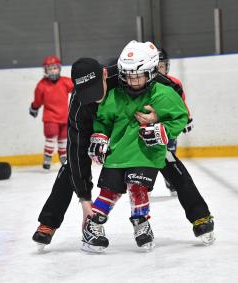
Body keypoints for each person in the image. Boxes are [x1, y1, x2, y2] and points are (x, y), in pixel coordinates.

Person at [32, 55, 214, 251]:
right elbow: (76, 149)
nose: (94, 98)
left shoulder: (127, 72)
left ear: (104, 74)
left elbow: (172, 89)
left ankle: (200, 216)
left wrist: (158, 115)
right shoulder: (79, 103)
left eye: (95, 90)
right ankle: (48, 223)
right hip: (98, 129)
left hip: (135, 130)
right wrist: (86, 203)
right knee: (70, 165)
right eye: (87, 94)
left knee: (169, 161)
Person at [83, 40, 188, 252]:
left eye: (137, 74)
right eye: (128, 74)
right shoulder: (115, 96)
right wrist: (99, 136)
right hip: (118, 154)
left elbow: (180, 117)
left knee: (138, 187)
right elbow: (103, 119)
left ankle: (141, 224)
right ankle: (92, 227)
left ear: (151, 72)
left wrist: (164, 131)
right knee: (108, 192)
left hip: (146, 154)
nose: (132, 79)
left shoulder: (164, 94)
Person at [154, 48, 194, 194]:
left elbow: (181, 104)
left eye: (161, 66)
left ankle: (172, 182)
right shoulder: (146, 84)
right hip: (150, 126)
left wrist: (186, 118)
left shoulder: (174, 83)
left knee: (169, 155)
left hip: (169, 127)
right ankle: (145, 186)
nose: (159, 70)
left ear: (167, 66)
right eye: (155, 66)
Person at [29, 55, 74, 169]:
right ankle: (48, 157)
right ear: (46, 71)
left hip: (64, 117)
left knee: (63, 138)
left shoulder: (65, 81)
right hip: (50, 118)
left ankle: (63, 156)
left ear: (59, 68)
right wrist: (34, 107)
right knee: (51, 136)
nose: (53, 71)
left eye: (54, 68)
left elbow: (75, 88)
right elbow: (38, 100)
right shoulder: (41, 85)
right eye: (50, 69)